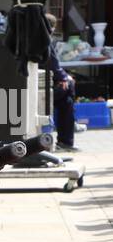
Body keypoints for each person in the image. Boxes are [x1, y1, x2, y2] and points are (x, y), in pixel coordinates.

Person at [43, 14, 78, 150]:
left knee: (67, 99)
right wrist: (64, 77)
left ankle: (66, 140)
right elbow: (53, 64)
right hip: (44, 84)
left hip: (46, 81)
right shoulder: (45, 40)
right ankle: (66, 139)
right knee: (69, 90)